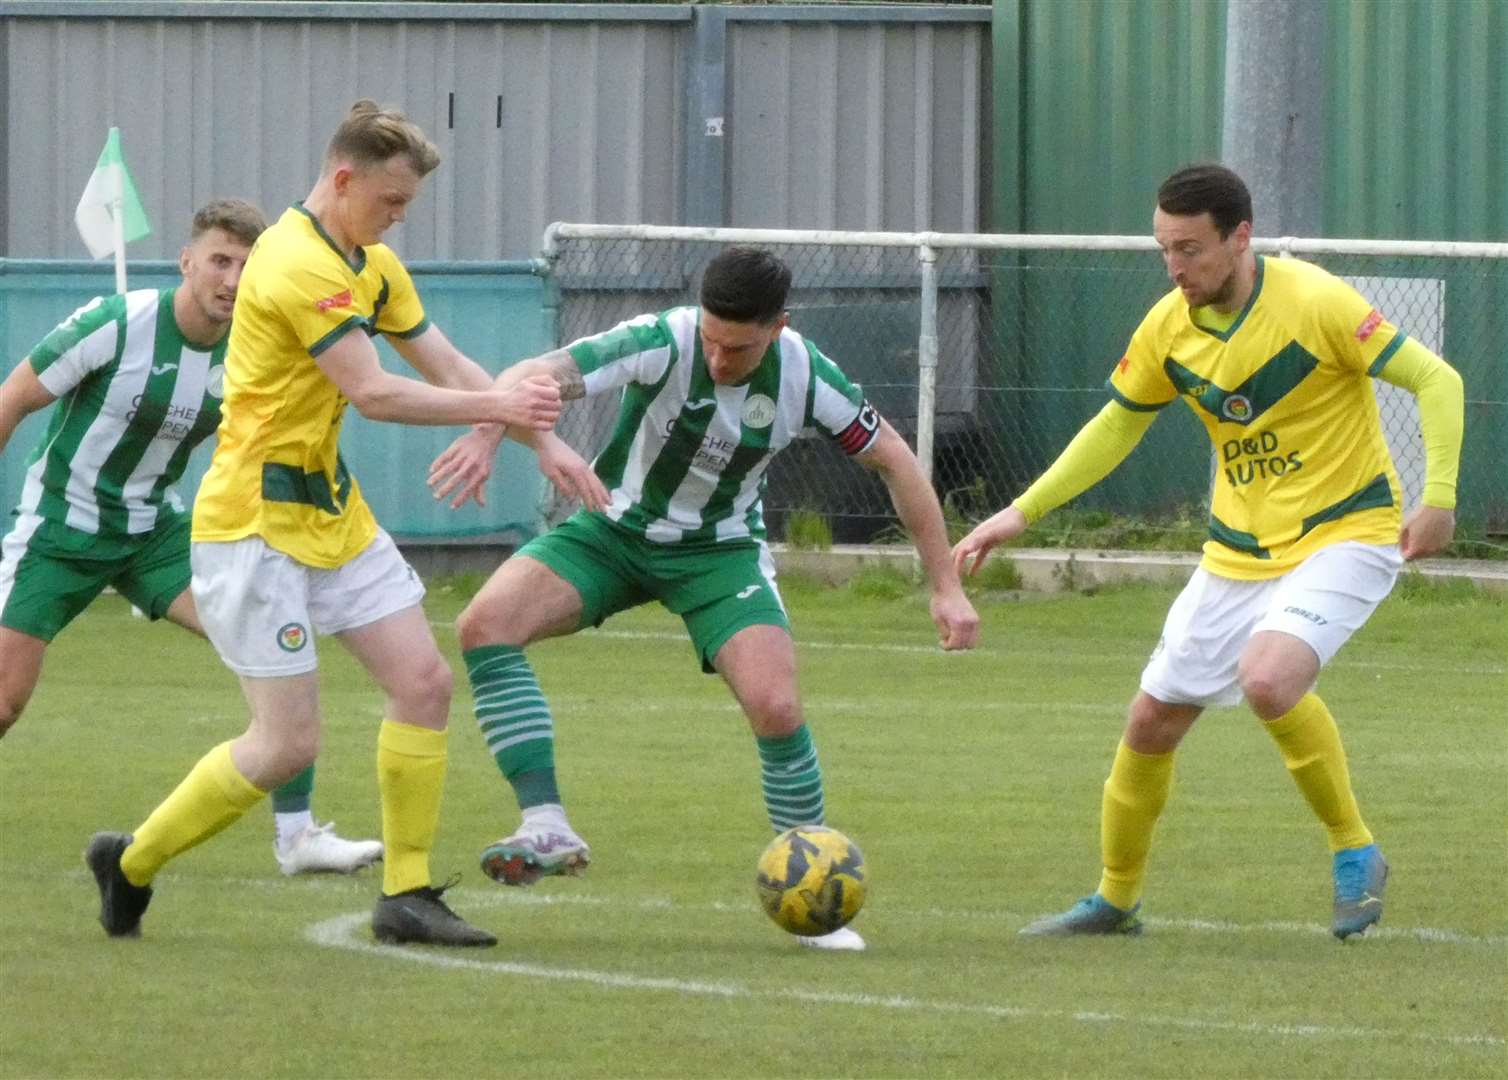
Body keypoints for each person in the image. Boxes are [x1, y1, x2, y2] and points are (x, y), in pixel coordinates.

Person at [84, 100, 564, 947]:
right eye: (390, 201)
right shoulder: (294, 264)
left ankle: (406, 895)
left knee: (425, 684)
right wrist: (496, 405)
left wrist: (543, 446)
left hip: (331, 512)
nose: (399, 218)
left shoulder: (370, 261)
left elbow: (444, 362)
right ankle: (129, 862)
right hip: (253, 528)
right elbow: (373, 392)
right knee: (284, 745)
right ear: (342, 180)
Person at [952, 164, 1464, 940]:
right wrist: (1020, 514)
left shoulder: (1316, 302)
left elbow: (1436, 378)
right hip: (1236, 551)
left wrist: (1441, 497)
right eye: (1163, 250)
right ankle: (1115, 899)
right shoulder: (1168, 327)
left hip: (1346, 530)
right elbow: (1117, 425)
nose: (1175, 268)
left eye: (1189, 250)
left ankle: (1356, 849)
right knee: (1151, 720)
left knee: (1267, 678)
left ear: (1241, 237)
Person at [435, 245, 981, 953]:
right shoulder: (662, 339)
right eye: (713, 342)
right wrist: (487, 431)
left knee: (777, 706)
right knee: (484, 624)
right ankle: (546, 824)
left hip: (718, 552)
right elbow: (530, 377)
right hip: (611, 529)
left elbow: (897, 462)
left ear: (779, 327)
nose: (720, 360)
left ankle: (810, 884)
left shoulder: (809, 377)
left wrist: (946, 586)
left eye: (740, 348)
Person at [0, 199, 381, 876]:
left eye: (245, 265)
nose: (232, 280)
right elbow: (12, 400)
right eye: (219, 261)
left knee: (271, 644)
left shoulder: (253, 349)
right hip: (60, 529)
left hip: (159, 533)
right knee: (6, 698)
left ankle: (297, 837)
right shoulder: (116, 325)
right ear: (187, 262)